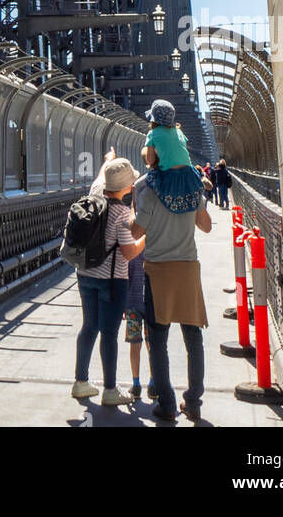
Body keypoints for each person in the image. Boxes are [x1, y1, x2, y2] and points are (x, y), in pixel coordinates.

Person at [131, 150, 212, 422]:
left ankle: (166, 404)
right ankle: (193, 401)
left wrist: (135, 209)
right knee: (193, 336)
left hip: (159, 271)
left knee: (157, 339)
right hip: (188, 268)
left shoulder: (149, 189)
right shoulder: (191, 186)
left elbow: (135, 232)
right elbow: (206, 226)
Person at [72, 155, 146, 405]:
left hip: (85, 275)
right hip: (113, 281)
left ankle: (81, 382)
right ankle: (110, 389)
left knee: (89, 326)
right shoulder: (121, 212)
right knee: (110, 333)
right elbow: (128, 252)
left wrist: (108, 161)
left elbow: (99, 177)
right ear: (126, 186)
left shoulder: (93, 197)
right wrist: (145, 237)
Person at [143, 98, 203, 213]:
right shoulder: (179, 132)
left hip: (169, 176)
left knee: (139, 186)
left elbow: (150, 161)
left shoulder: (152, 134)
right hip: (189, 175)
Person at [125, 240, 156, 400]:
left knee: (134, 345)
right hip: (152, 304)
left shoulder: (132, 252)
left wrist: (124, 304)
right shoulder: (155, 250)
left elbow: (126, 278)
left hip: (132, 305)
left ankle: (136, 384)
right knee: (152, 345)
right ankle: (153, 383)